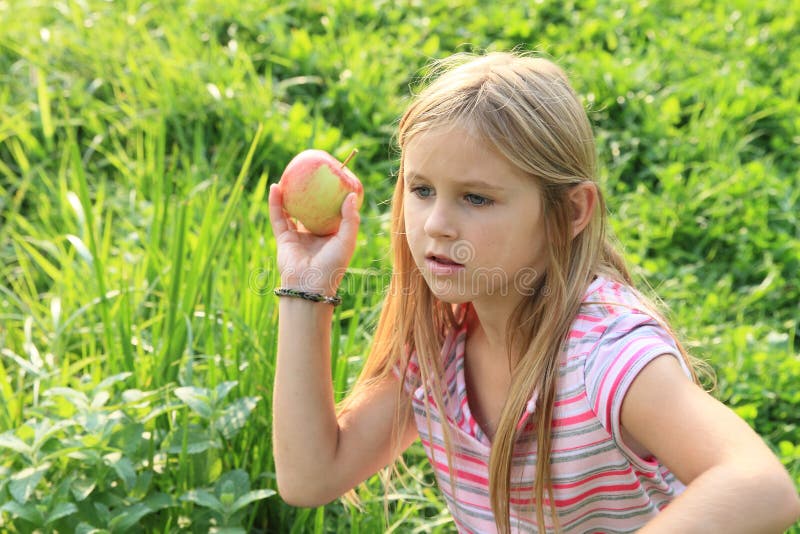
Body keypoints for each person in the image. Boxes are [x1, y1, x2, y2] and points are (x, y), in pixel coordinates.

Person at [268, 51, 800, 533]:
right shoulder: (439, 344)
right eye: (422, 189)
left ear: (569, 213)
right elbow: (311, 477)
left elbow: (760, 486)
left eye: (476, 198)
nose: (436, 224)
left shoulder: (605, 353)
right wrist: (305, 286)